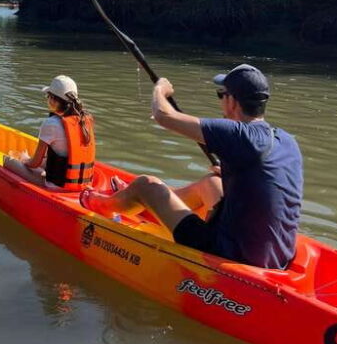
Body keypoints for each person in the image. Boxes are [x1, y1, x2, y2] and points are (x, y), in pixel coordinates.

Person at [80, 64, 303, 270]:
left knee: (145, 185)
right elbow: (263, 177)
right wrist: (228, 174)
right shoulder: (287, 141)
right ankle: (150, 208)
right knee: (212, 182)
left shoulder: (238, 133)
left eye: (221, 95)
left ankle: (98, 204)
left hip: (230, 254)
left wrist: (161, 89)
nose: (221, 102)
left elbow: (163, 115)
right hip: (277, 255)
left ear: (232, 101)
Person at [3, 75, 95, 190]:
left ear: (53, 100)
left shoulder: (51, 123)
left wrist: (24, 158)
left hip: (56, 187)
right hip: (81, 185)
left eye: (48, 96)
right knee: (43, 163)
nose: (47, 99)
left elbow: (34, 163)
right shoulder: (84, 121)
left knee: (7, 161)